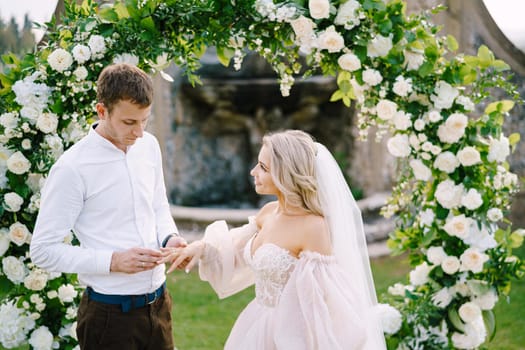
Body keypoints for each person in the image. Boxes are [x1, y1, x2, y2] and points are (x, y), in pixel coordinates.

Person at [161, 130, 386, 349]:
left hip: (293, 334)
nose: (253, 172)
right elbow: (236, 247)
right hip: (257, 325)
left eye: (263, 167)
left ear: (285, 173)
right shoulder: (269, 212)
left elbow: (322, 304)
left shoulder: (314, 227)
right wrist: (199, 248)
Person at [30, 63, 186, 350]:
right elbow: (42, 250)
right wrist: (112, 261)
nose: (139, 132)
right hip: (109, 317)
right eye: (129, 123)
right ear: (102, 111)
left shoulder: (149, 146)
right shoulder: (72, 168)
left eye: (145, 121)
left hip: (159, 306)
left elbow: (158, 205)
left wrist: (170, 238)